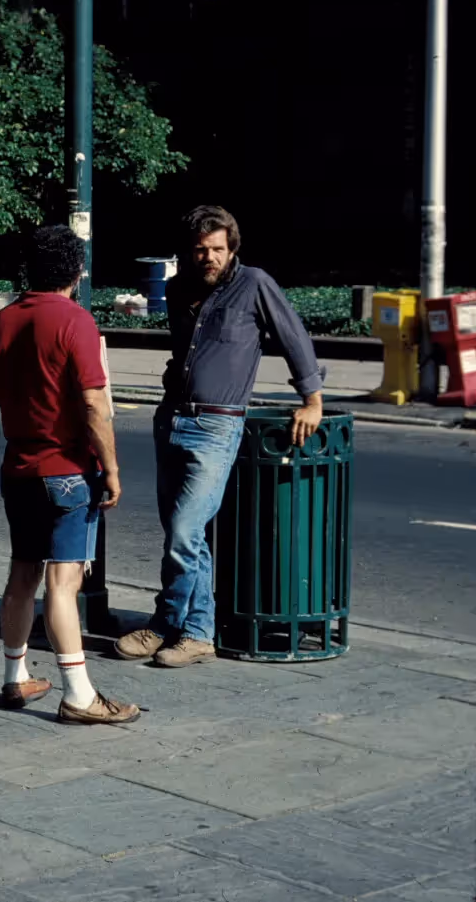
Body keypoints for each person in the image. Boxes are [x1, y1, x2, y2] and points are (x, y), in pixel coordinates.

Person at [116, 206, 324, 667]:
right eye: (200, 250)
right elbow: (183, 351)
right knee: (185, 534)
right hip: (172, 419)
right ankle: (199, 632)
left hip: (217, 425)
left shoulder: (254, 285)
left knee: (185, 533)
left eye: (216, 249)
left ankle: (167, 622)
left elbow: (294, 337)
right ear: (187, 252)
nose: (208, 257)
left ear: (232, 249)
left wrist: (312, 399)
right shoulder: (175, 290)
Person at [0, 225, 140, 725]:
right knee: (63, 583)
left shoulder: (2, 321)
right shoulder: (76, 321)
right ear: (76, 272)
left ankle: (15, 677)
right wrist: (110, 468)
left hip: (18, 466)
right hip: (68, 468)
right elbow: (94, 403)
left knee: (21, 575)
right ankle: (79, 694)